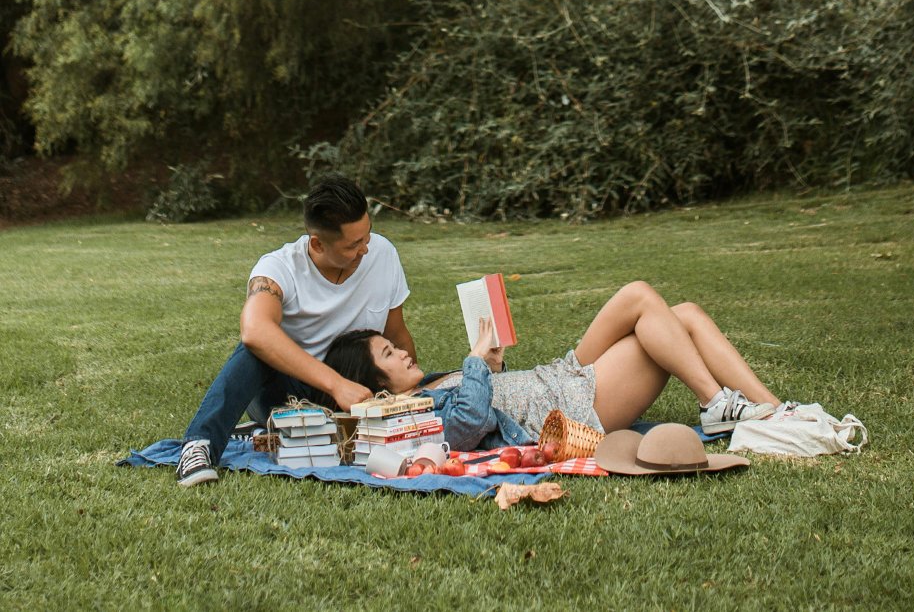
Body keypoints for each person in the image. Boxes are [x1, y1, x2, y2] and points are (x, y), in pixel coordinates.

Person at [323, 281, 780, 452]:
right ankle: (716, 404)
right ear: (380, 389)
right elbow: (466, 427)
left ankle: (777, 411)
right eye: (388, 355)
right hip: (573, 409)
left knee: (685, 314)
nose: (402, 351)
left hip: (561, 377)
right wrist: (475, 362)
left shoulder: (431, 382)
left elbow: (493, 401)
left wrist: (492, 367)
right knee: (642, 300)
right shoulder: (415, 415)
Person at [176, 175, 416, 486]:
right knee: (256, 348)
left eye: (367, 236)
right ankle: (200, 444)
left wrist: (412, 393)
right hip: (290, 392)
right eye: (353, 245)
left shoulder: (383, 254)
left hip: (360, 396)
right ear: (317, 243)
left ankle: (281, 432)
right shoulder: (279, 268)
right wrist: (336, 385)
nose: (365, 250)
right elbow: (254, 330)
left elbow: (396, 332)